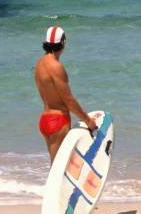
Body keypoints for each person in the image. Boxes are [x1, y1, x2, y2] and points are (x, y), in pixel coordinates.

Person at [34, 26, 98, 163]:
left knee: (56, 166)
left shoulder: (39, 63)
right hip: (58, 121)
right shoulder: (56, 66)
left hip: (45, 119)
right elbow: (68, 100)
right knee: (60, 166)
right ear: (63, 42)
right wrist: (88, 120)